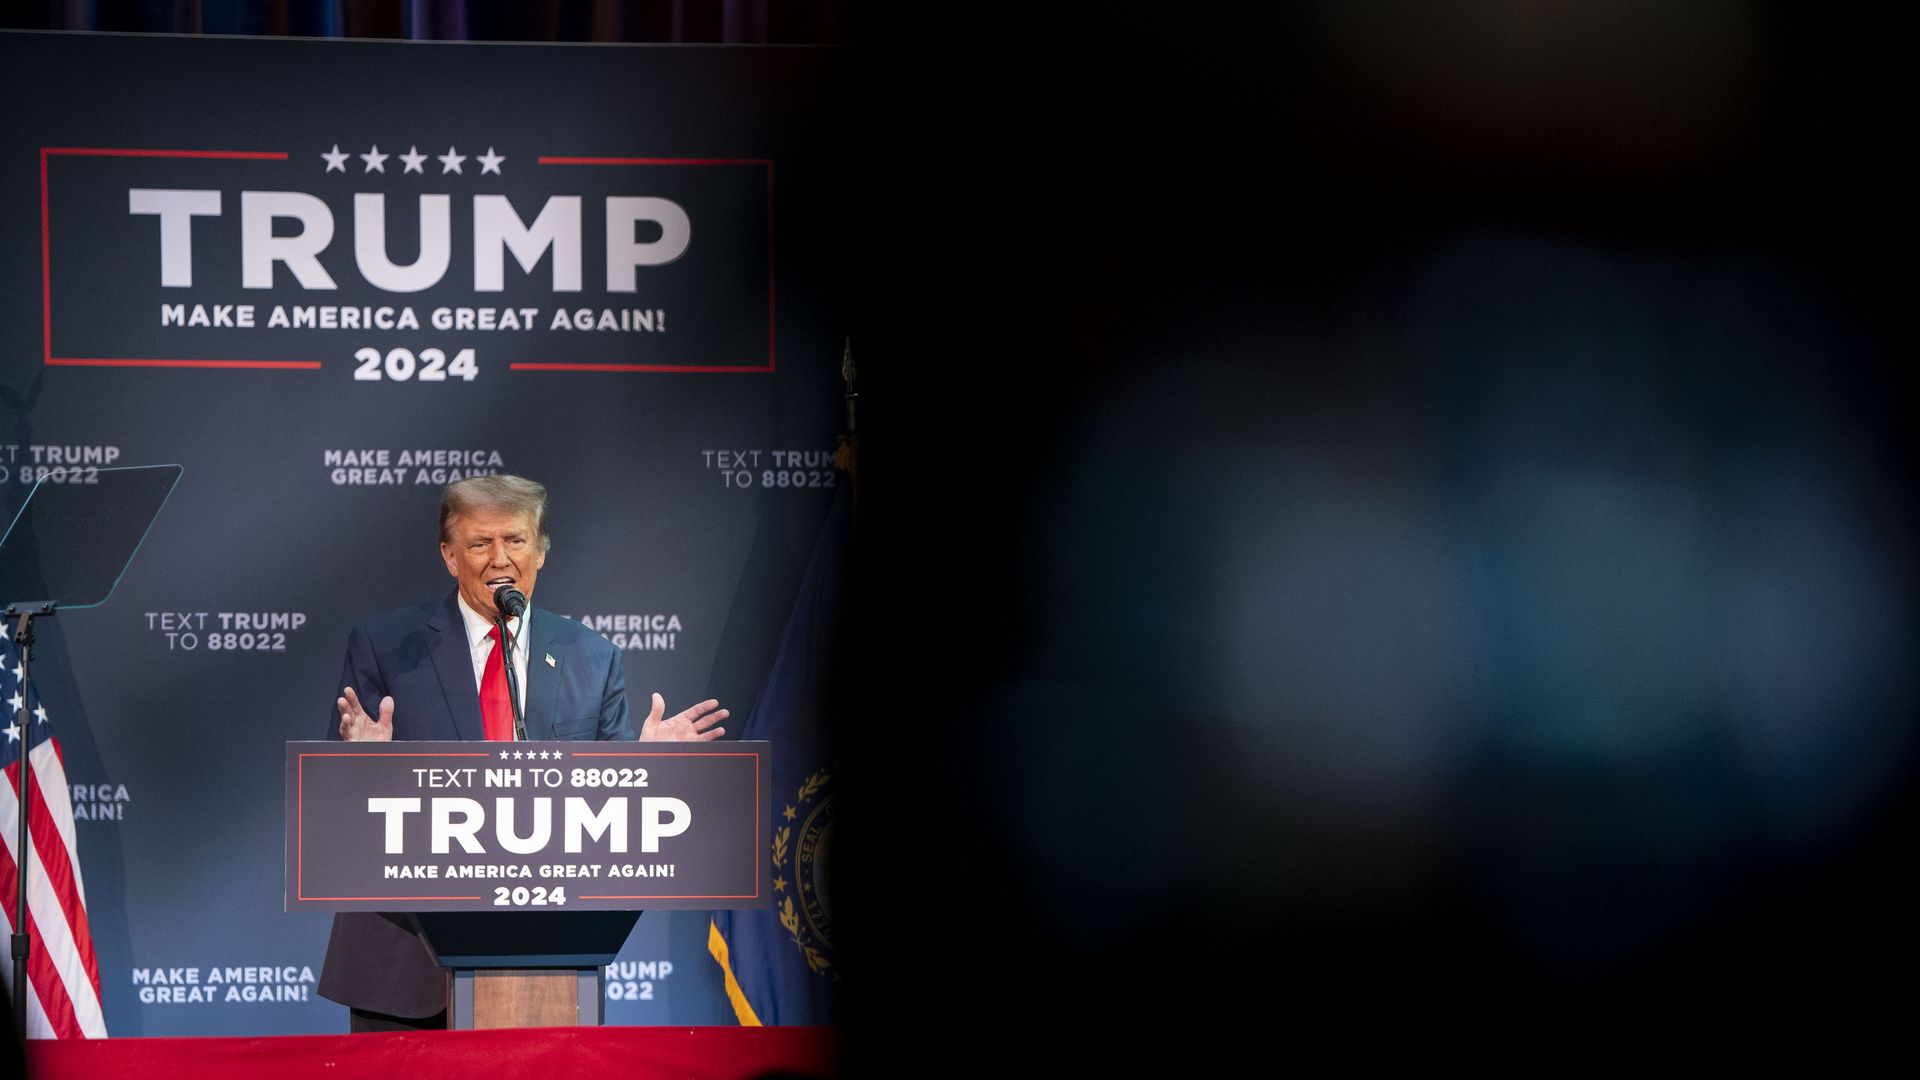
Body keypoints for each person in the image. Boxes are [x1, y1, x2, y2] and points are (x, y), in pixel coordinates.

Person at [316, 474, 725, 1031]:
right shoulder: (388, 647)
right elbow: (340, 812)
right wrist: (363, 765)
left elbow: (608, 811)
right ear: (449, 555)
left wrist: (643, 768)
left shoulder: (591, 656)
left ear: (541, 550)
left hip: (546, 956)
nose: (499, 559)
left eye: (515, 540)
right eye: (480, 543)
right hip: (407, 959)